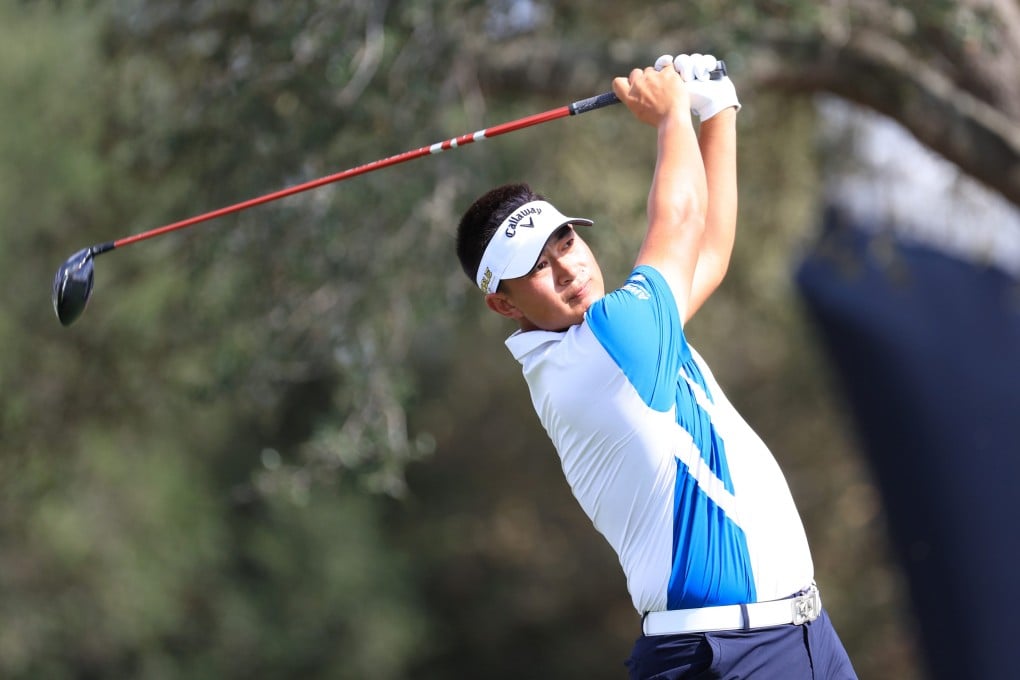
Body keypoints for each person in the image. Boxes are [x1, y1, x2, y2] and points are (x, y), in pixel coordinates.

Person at [455, 54, 858, 679]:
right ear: (504, 304)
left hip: (801, 636)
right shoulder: (610, 342)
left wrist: (717, 110)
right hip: (725, 654)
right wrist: (672, 114)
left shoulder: (608, 340)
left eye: (566, 241)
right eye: (536, 266)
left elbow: (710, 252)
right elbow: (681, 218)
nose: (568, 268)